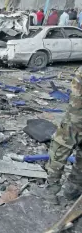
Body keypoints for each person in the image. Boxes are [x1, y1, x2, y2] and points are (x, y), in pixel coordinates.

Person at [42, 66, 82, 204]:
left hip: (75, 120)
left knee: (62, 151)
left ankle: (72, 189)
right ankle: (52, 190)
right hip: (76, 119)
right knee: (60, 151)